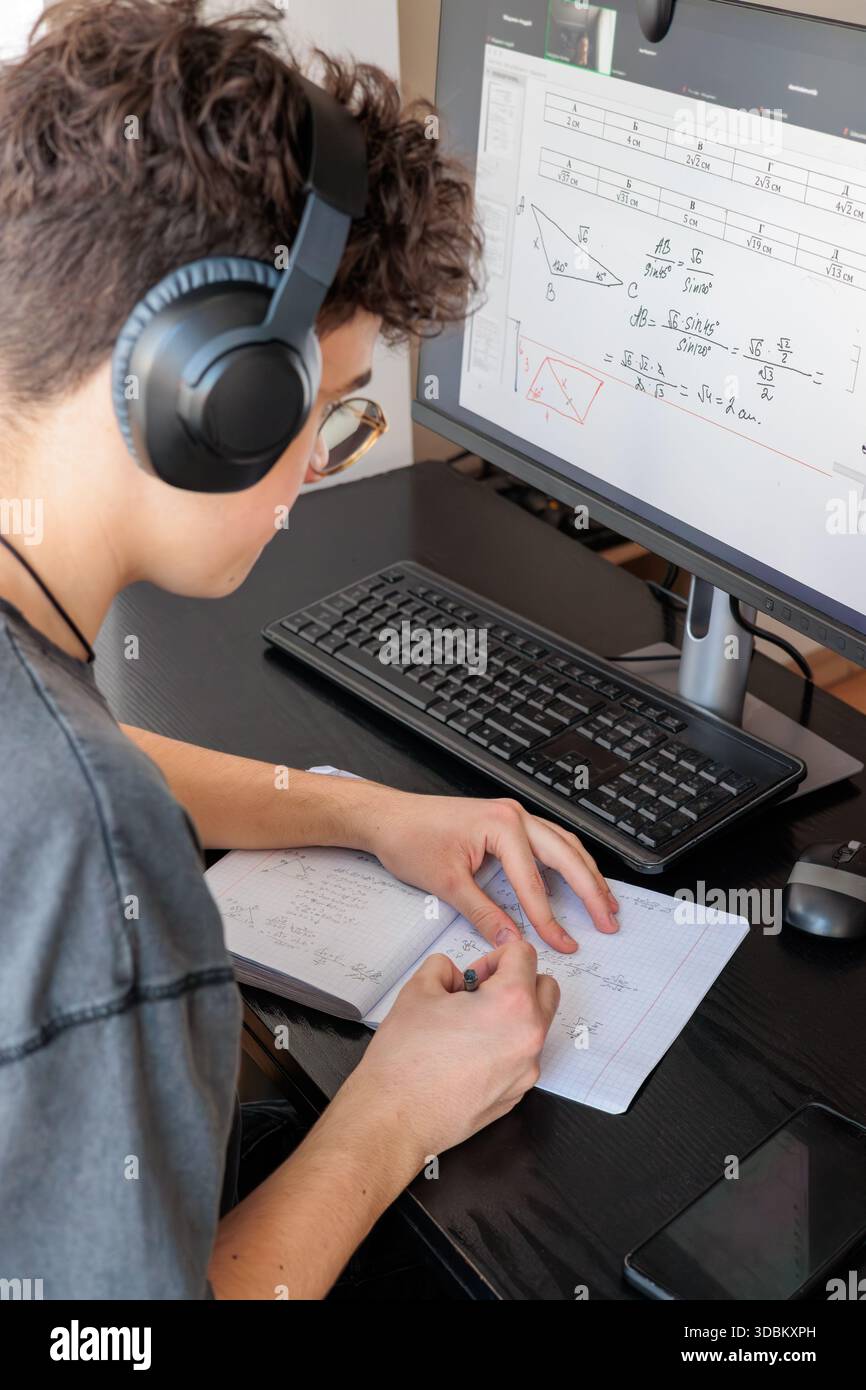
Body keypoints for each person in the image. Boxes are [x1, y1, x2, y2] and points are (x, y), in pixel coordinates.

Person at [0, 0, 619, 1299]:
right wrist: (394, 1108)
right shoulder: (81, 827)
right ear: (208, 400)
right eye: (324, 414)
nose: (313, 470)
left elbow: (62, 762)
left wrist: (350, 808)